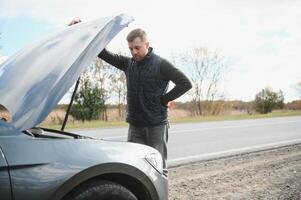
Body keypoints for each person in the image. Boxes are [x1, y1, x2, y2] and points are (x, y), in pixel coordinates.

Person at [69, 20, 192, 173]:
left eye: (137, 48)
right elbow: (103, 53)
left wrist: (163, 99)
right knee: (135, 168)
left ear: (147, 44)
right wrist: (85, 31)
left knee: (158, 168)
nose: (134, 52)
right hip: (135, 126)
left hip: (156, 125)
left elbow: (185, 83)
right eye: (131, 48)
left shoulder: (162, 64)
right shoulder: (128, 63)